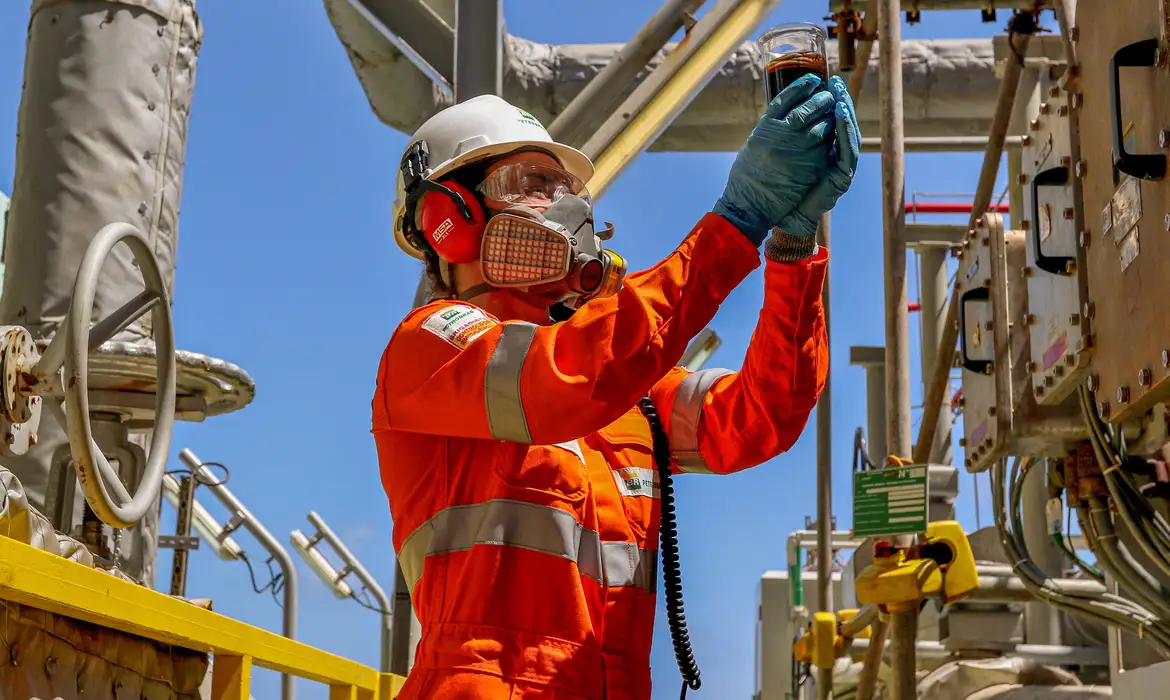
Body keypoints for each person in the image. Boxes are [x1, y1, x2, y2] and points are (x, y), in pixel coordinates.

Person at [373, 72, 860, 700]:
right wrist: (736, 223)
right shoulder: (431, 347)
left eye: (567, 188)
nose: (566, 206)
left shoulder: (621, 387)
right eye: (533, 184)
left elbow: (762, 415)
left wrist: (793, 247)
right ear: (450, 218)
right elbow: (559, 382)